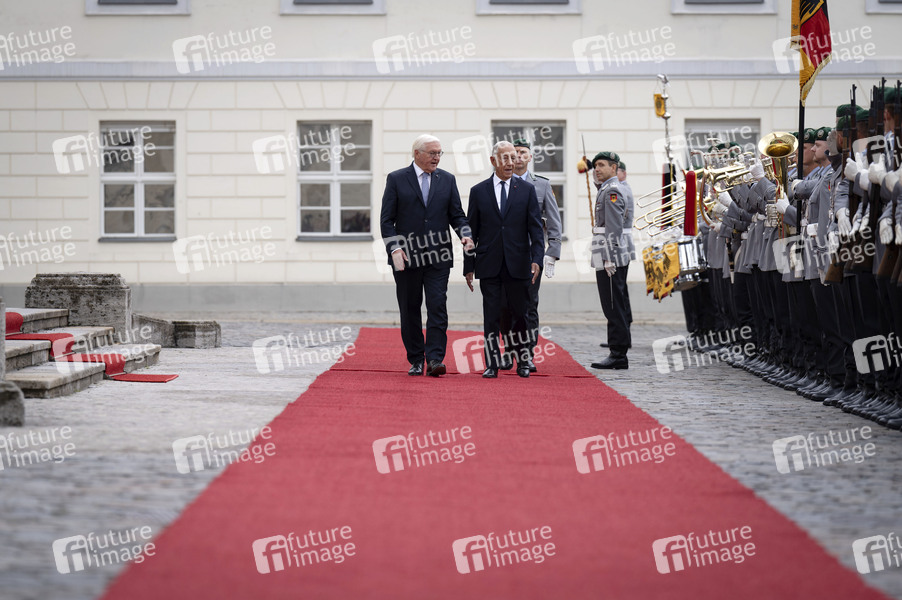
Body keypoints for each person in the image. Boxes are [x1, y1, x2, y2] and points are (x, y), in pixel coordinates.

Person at [379, 134, 473, 377]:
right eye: (432, 153)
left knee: (437, 306)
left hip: (438, 257)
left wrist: (465, 234)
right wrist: (394, 248)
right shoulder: (397, 179)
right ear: (417, 154)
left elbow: (457, 215)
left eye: (439, 153)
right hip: (406, 257)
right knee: (410, 309)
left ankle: (434, 359)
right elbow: (387, 220)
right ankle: (416, 359)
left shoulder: (447, 180)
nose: (437, 157)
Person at [463, 141, 544, 379]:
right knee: (492, 317)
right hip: (489, 264)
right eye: (505, 158)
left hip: (519, 264)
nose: (511, 163)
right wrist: (468, 266)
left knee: (521, 316)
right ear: (493, 161)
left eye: (513, 158)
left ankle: (523, 360)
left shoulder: (526, 190)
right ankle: (491, 363)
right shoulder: (479, 191)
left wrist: (537, 259)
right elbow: (471, 232)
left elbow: (536, 230)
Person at [497, 138, 563, 371]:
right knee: (505, 305)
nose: (518, 156)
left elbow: (554, 220)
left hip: (530, 255)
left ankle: (527, 353)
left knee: (528, 305)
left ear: (530, 157)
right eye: (514, 152)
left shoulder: (541, 185)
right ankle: (508, 352)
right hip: (505, 254)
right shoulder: (500, 183)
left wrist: (552, 252)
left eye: (523, 152)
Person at [589, 151, 634, 370]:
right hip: (609, 249)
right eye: (595, 166)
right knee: (614, 303)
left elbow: (614, 227)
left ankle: (618, 354)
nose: (596, 169)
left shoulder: (612, 191)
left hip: (610, 252)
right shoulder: (609, 188)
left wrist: (609, 256)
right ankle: (618, 351)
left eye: (601, 165)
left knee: (613, 305)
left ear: (614, 168)